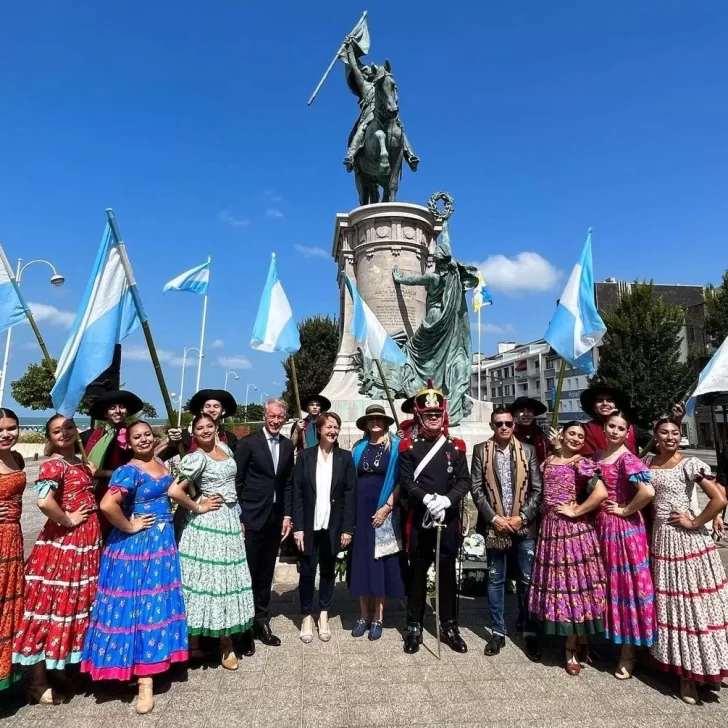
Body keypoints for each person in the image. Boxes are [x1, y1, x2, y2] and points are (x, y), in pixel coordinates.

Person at [80, 421, 187, 715]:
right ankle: (143, 678)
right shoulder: (128, 470)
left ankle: (153, 663)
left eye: (147, 435)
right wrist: (130, 526)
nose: (143, 440)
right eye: (136, 437)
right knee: (140, 606)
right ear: (128, 443)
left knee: (155, 603)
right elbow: (107, 504)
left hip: (162, 545)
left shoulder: (161, 462)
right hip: (136, 547)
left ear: (155, 438)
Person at [13, 415, 101, 703]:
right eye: (56, 431)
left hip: (83, 549)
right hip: (62, 548)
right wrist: (69, 519)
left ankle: (58, 667)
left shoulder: (79, 462)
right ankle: (37, 681)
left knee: (70, 607)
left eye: (68, 428)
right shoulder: (54, 464)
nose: (63, 433)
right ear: (49, 437)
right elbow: (43, 501)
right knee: (49, 607)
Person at [645, 418, 728, 704]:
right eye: (664, 432)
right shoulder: (647, 462)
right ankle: (686, 672)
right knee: (674, 606)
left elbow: (718, 499)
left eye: (675, 433)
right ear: (655, 436)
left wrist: (694, 522)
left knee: (696, 604)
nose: (670, 437)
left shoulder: (690, 463)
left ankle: (701, 668)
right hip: (661, 541)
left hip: (687, 541)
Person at [169, 413, 255, 670]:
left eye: (209, 426)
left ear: (216, 427)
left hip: (228, 520)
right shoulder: (196, 458)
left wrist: (237, 515)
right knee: (204, 579)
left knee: (226, 580)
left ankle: (225, 641)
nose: (205, 430)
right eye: (199, 428)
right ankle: (194, 643)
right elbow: (174, 490)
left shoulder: (226, 448)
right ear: (193, 433)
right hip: (207, 525)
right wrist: (198, 506)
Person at [527, 421, 608, 675]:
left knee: (575, 586)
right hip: (550, 530)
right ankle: (576, 639)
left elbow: (601, 494)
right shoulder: (548, 460)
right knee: (559, 586)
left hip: (573, 531)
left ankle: (572, 646)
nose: (575, 438)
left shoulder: (581, 463)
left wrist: (576, 511)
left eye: (580, 436)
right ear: (561, 435)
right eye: (571, 433)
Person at [399, 382, 470, 655]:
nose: (433, 418)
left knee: (447, 573)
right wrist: (426, 498)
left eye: (437, 414)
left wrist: (448, 500)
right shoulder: (409, 446)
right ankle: (414, 625)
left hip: (448, 518)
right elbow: (405, 480)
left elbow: (464, 480)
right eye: (428, 414)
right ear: (419, 416)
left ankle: (449, 624)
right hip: (420, 517)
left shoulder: (456, 446)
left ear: (443, 415)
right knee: (418, 573)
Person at [471, 406, 543, 660]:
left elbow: (537, 488)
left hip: (524, 525)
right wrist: (494, 519)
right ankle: (498, 632)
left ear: (514, 426)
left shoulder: (528, 450)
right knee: (495, 578)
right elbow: (476, 488)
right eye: (499, 423)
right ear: (492, 426)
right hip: (496, 526)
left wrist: (522, 517)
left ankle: (530, 630)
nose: (504, 427)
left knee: (526, 579)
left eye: (508, 423)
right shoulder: (481, 450)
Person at [593, 410, 655, 679]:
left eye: (621, 428)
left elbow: (647, 491)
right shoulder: (596, 456)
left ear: (627, 432)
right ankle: (614, 642)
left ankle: (629, 653)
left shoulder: (627, 459)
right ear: (604, 428)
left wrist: (626, 510)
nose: (616, 431)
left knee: (627, 587)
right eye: (611, 426)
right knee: (607, 585)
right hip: (601, 527)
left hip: (624, 531)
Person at [235, 398, 295, 649]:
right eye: (272, 416)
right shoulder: (248, 443)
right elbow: (236, 481)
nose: (275, 421)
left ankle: (261, 620)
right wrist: (238, 517)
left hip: (274, 518)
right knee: (247, 570)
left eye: (280, 417)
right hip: (250, 517)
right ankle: (243, 626)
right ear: (265, 415)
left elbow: (288, 483)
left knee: (266, 572)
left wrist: (287, 515)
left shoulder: (287, 445)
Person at [293, 412, 356, 642]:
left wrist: (348, 529)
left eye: (336, 427)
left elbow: (351, 495)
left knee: (328, 572)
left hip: (333, 526)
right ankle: (307, 616)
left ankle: (324, 615)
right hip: (309, 526)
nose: (332, 431)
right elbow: (297, 493)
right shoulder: (305, 456)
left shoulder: (345, 458)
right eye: (328, 427)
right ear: (319, 429)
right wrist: (298, 527)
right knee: (308, 573)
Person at [349, 405, 406, 640]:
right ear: (366, 423)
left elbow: (401, 480)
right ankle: (363, 615)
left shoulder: (395, 447)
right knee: (362, 561)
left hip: (383, 509)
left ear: (385, 422)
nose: (375, 422)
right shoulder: (359, 448)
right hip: (360, 510)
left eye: (379, 419)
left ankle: (379, 617)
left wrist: (387, 507)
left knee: (380, 561)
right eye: (371, 418)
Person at [81, 390, 144, 537]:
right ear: (105, 414)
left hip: (124, 498)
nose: (117, 411)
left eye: (121, 407)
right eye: (112, 408)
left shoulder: (134, 436)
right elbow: (50, 449)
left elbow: (140, 470)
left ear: (127, 411)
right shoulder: (93, 435)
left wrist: (99, 473)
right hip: (94, 496)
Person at [578, 385, 685, 458]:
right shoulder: (584, 430)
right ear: (594, 407)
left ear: (616, 405)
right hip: (595, 486)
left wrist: (676, 421)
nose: (605, 403)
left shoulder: (633, 429)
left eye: (610, 400)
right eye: (600, 400)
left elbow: (660, 449)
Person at [0, 409, 25, 695]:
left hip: (13, 539)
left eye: (12, 428)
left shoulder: (16, 458)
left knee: (10, 603)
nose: (7, 434)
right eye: (1, 430)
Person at [162, 389, 239, 457]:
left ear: (223, 411)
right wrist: (168, 441)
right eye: (208, 406)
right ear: (201, 410)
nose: (211, 410)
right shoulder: (185, 436)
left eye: (216, 406)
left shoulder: (230, 438)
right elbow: (158, 458)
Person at [509, 397, 550, 464]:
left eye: (529, 411)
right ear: (515, 414)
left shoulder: (542, 436)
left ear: (534, 414)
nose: (526, 414)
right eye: (522, 411)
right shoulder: (510, 435)